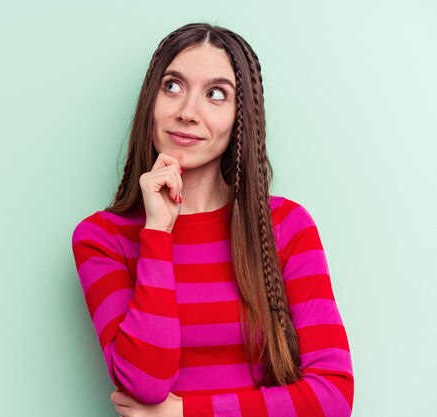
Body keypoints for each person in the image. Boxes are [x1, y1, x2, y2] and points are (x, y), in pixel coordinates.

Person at [71, 23, 353, 417]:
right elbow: (145, 384)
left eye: (216, 94)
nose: (187, 112)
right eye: (172, 86)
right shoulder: (101, 238)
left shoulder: (286, 225)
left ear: (241, 117)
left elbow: (333, 398)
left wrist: (184, 414)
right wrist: (157, 232)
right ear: (150, 100)